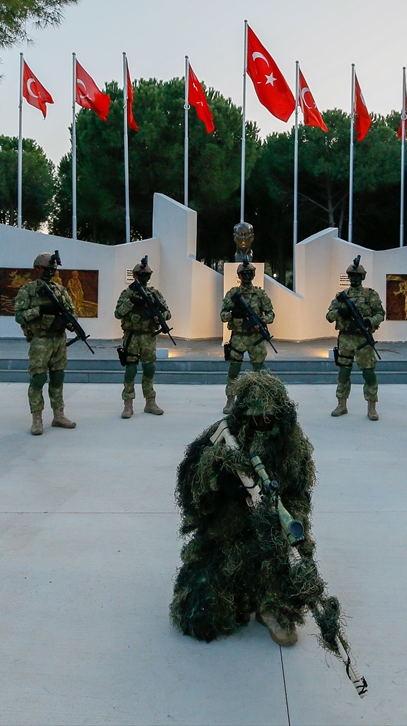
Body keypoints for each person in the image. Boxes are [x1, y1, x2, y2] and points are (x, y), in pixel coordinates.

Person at [170, 371, 316, 647]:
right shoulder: (223, 434)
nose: (263, 423)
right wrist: (218, 481)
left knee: (279, 571)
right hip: (227, 529)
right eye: (255, 417)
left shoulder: (290, 445)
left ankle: (270, 605)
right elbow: (190, 478)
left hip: (269, 532)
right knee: (202, 613)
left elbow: (299, 492)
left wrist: (289, 522)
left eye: (269, 416)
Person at [14, 252, 78, 435]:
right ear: (37, 269)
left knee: (58, 378)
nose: (51, 273)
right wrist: (40, 309)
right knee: (38, 378)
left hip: (59, 339)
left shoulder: (60, 290)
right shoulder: (28, 290)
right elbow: (19, 316)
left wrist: (69, 321)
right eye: (47, 269)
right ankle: (37, 418)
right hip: (40, 340)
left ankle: (59, 415)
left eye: (53, 270)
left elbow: (72, 312)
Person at [325, 256, 386, 420]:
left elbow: (381, 314)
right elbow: (329, 316)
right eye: (351, 276)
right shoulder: (342, 296)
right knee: (344, 373)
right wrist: (340, 312)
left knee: (369, 374)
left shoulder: (370, 295)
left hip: (363, 341)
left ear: (362, 277)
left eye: (357, 276)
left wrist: (369, 321)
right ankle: (341, 405)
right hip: (345, 340)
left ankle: (372, 407)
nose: (354, 278)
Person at [114, 256, 171, 419]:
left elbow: (167, 312)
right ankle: (128, 403)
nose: (144, 278)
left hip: (148, 336)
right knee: (130, 369)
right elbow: (118, 313)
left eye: (147, 275)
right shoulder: (126, 293)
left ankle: (150, 402)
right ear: (135, 275)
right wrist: (132, 302)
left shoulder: (154, 294)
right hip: (132, 336)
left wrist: (159, 316)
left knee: (149, 368)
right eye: (141, 275)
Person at [220, 259, 275, 413]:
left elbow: (271, 313)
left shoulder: (260, 294)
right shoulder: (233, 294)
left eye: (250, 273)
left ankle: (263, 399)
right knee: (234, 369)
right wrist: (232, 313)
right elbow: (223, 316)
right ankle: (231, 400)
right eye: (244, 273)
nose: (247, 276)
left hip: (255, 338)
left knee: (260, 370)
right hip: (238, 337)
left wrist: (263, 321)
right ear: (239, 275)